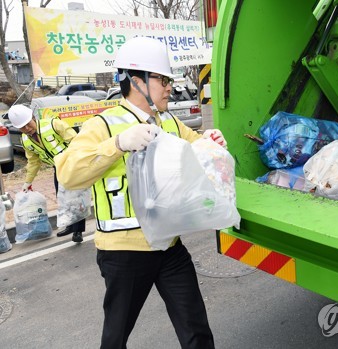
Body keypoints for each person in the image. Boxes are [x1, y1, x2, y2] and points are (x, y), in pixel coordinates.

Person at [55, 36, 225, 349]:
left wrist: (209, 140)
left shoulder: (169, 121)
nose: (169, 87)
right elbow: (68, 173)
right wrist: (118, 144)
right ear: (138, 81)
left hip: (169, 246)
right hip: (124, 253)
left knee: (197, 330)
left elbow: (195, 146)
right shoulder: (103, 125)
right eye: (163, 79)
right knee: (116, 337)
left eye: (169, 80)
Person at [8, 105, 86, 243]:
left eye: (28, 124)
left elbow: (76, 140)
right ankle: (70, 225)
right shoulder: (26, 141)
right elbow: (33, 162)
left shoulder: (53, 124)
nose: (27, 129)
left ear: (33, 117)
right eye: (22, 127)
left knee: (76, 198)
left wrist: (75, 160)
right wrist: (28, 182)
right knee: (62, 198)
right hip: (58, 168)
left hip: (73, 164)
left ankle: (78, 231)